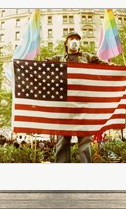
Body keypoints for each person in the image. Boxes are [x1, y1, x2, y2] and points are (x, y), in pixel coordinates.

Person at [48, 31, 109, 163]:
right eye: (71, 39)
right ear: (66, 43)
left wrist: (118, 68)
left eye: (77, 39)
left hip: (83, 104)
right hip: (65, 105)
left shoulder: (87, 57)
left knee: (85, 140)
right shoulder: (59, 59)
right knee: (63, 140)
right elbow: (45, 65)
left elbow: (104, 65)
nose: (74, 41)